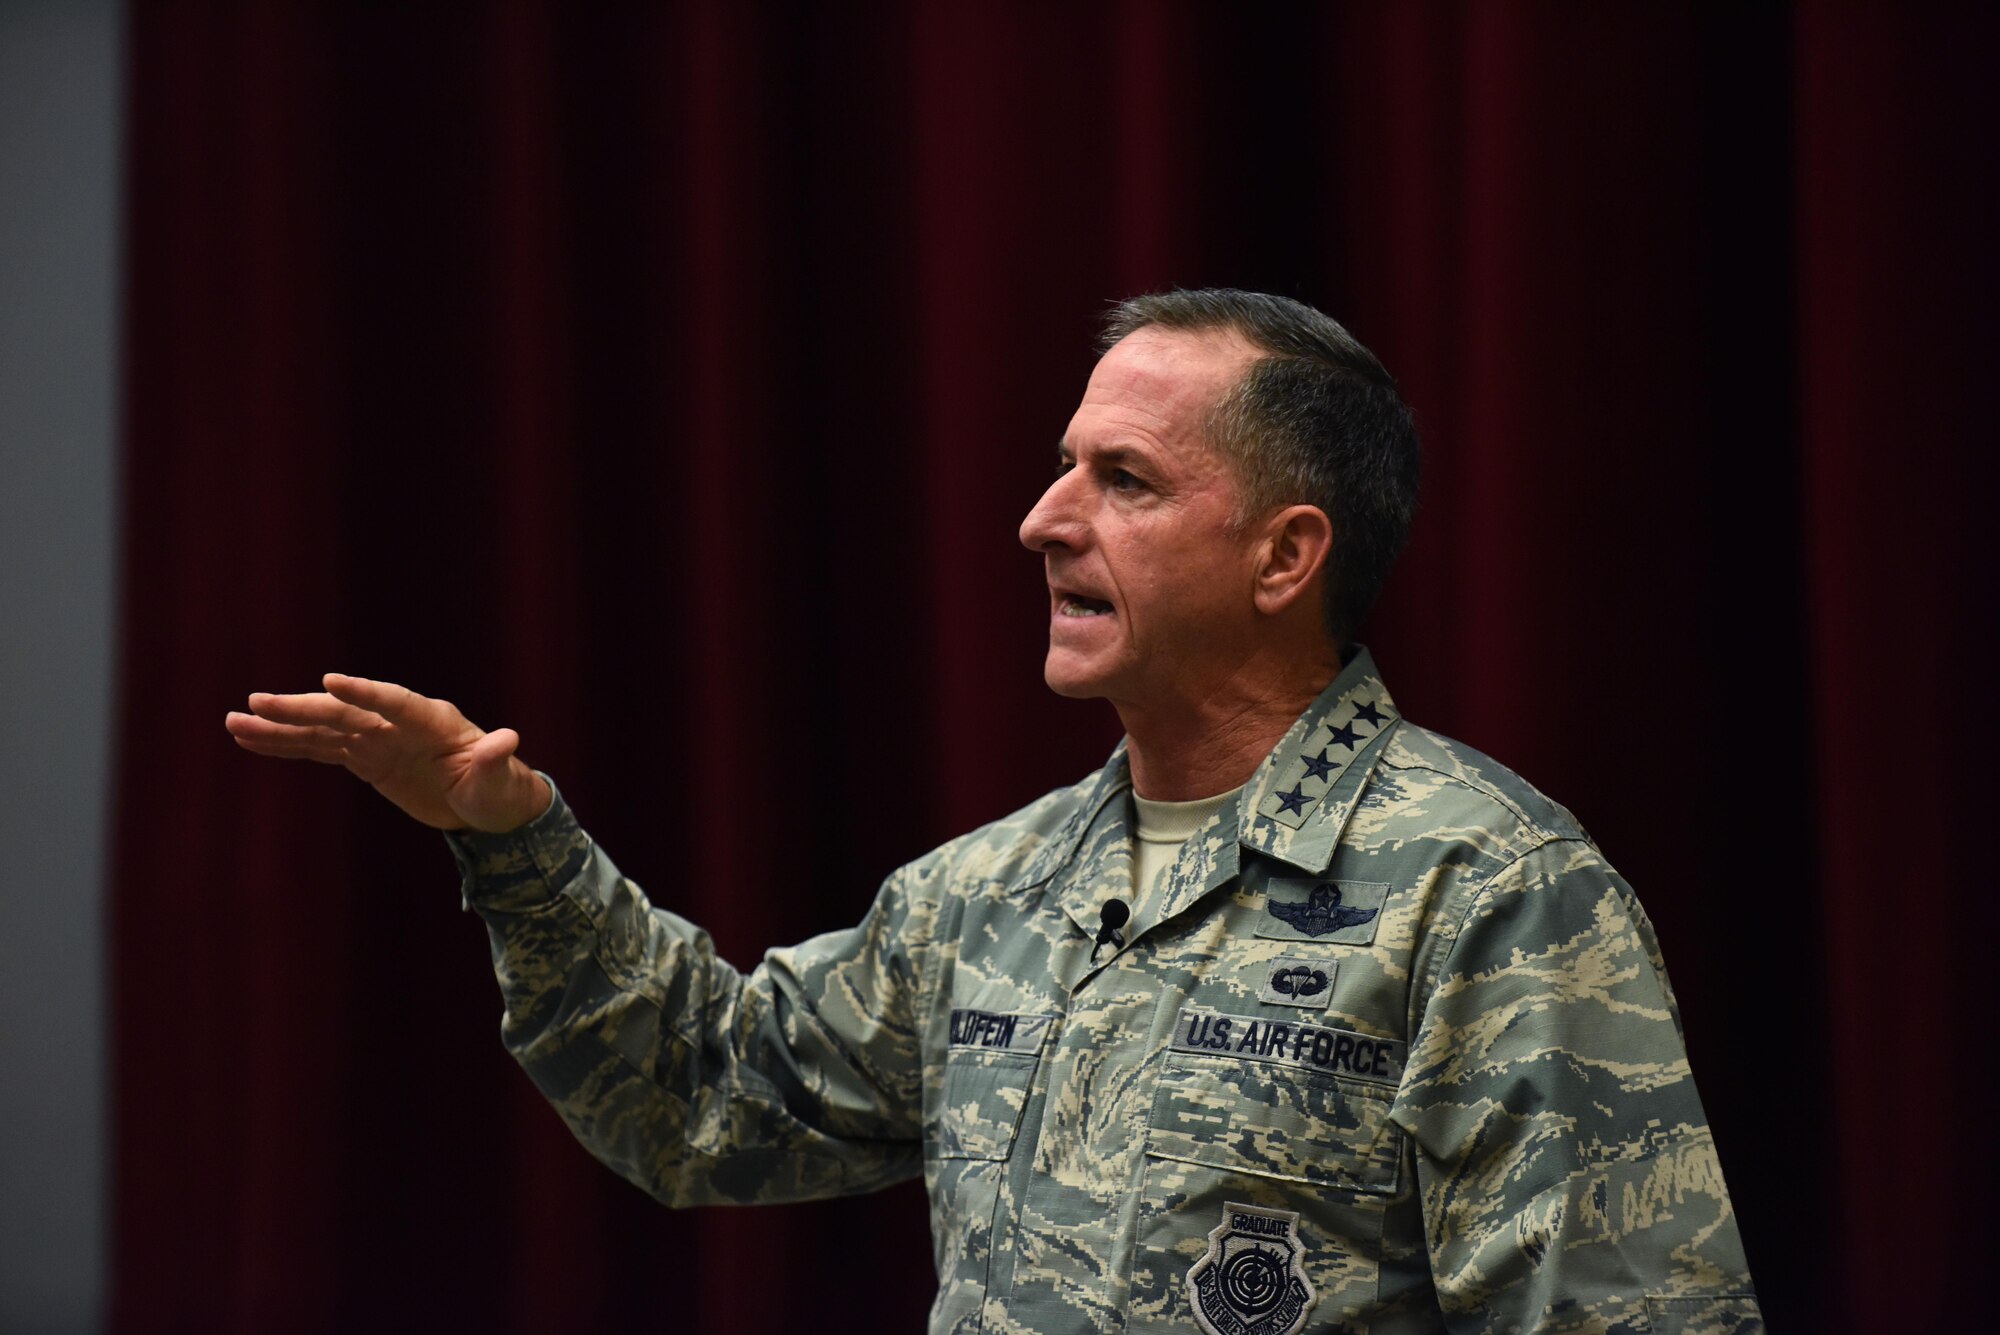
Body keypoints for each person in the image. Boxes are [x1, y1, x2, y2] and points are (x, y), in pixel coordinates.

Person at [228, 290, 1762, 1334]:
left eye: (1126, 480)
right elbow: (704, 1100)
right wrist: (514, 842)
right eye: (1057, 470)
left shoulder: (1487, 888)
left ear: (1287, 557)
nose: (1043, 518)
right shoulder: (995, 892)